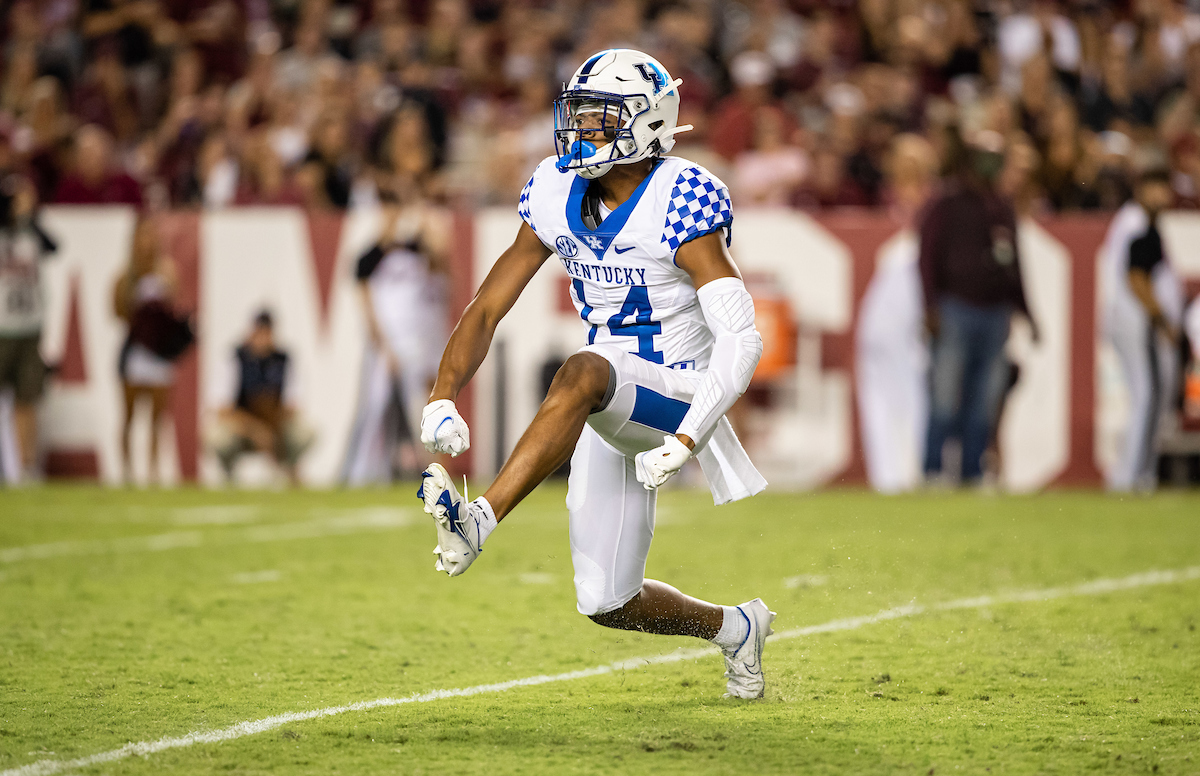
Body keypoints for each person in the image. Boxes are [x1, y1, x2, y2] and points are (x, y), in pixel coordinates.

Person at [415, 50, 775, 700]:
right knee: (608, 601)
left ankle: (481, 520)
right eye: (578, 116)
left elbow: (742, 339)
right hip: (611, 397)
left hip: (683, 392)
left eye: (599, 119)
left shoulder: (680, 197)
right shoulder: (555, 188)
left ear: (647, 123)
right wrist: (442, 394)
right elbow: (488, 304)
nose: (580, 131)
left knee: (580, 368)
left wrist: (692, 435)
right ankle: (737, 629)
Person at [919, 128, 1039, 486]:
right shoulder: (946, 202)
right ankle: (933, 471)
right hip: (955, 309)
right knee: (944, 395)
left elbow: (1014, 264)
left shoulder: (1001, 206)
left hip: (995, 313)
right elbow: (927, 258)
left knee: (985, 401)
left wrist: (1027, 312)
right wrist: (931, 308)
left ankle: (971, 472)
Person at [342, 176, 448, 484]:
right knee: (374, 407)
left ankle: (435, 475)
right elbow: (367, 304)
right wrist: (382, 345)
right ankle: (361, 475)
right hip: (385, 345)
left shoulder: (418, 249)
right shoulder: (370, 257)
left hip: (415, 343)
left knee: (422, 410)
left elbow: (440, 257)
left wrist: (420, 217)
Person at [856, 134, 938, 493]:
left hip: (914, 293)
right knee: (878, 380)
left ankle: (914, 469)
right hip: (886, 301)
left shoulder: (932, 205)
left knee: (915, 380)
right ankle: (887, 475)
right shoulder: (884, 199)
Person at [1100, 169, 1185, 492]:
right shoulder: (1140, 224)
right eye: (1155, 189)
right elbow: (1137, 277)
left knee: (1145, 395)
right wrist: (1161, 318)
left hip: (1130, 319)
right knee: (1146, 395)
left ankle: (1136, 472)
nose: (1161, 196)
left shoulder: (1129, 221)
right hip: (1138, 322)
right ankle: (1133, 475)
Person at [113, 217, 191, 486]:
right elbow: (117, 310)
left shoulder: (166, 272)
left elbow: (173, 308)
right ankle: (127, 471)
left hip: (158, 354)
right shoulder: (127, 275)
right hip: (136, 351)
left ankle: (154, 470)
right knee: (129, 414)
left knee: (158, 417)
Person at [209, 310, 313, 486]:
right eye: (259, 333)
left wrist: (272, 427)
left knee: (304, 433)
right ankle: (228, 474)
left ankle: (289, 469)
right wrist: (255, 430)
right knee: (218, 437)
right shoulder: (235, 359)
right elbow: (223, 411)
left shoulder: (283, 360)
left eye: (267, 333)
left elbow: (293, 406)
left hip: (274, 427)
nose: (262, 339)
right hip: (242, 428)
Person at [0, 174, 56, 482]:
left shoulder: (32, 234)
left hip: (29, 326)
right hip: (1, 325)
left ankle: (26, 467)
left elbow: (54, 245)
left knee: (27, 399)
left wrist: (28, 218)